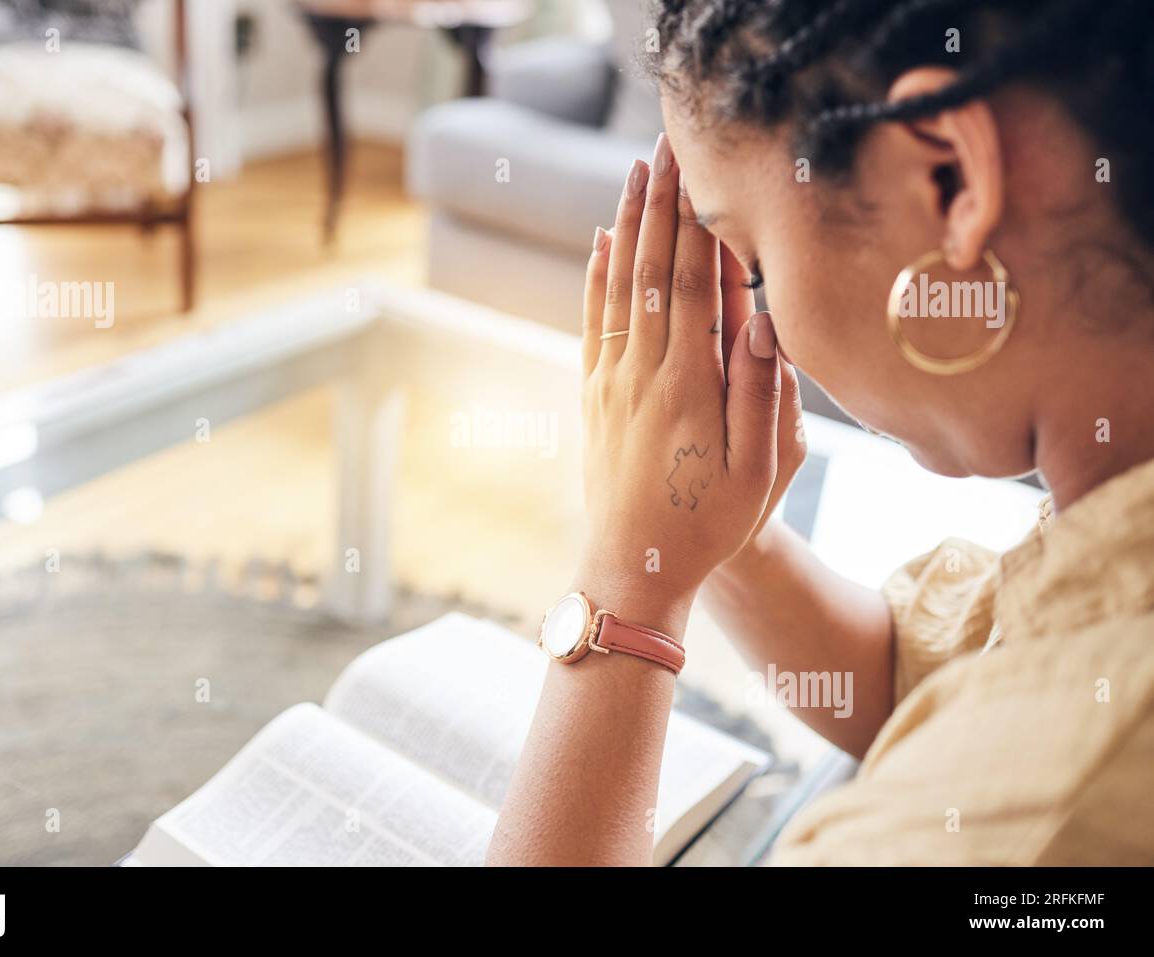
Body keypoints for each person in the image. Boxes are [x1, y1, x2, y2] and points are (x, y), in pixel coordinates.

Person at [486, 0, 1154, 866]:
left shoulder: (1054, 790)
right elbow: (917, 675)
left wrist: (624, 589)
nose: (761, 304)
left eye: (754, 263)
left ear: (946, 181)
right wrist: (709, 530)